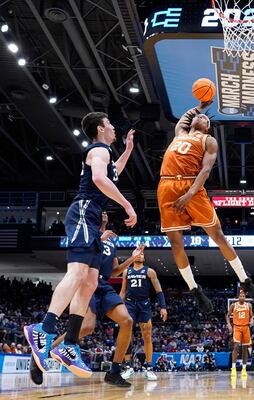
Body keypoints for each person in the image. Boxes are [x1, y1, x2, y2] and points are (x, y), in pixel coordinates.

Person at [24, 112, 137, 378]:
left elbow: (112, 174)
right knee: (77, 274)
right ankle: (44, 328)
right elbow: (99, 179)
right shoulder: (98, 150)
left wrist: (129, 150)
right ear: (100, 128)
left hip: (93, 215)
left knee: (89, 282)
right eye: (109, 124)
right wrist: (127, 204)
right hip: (85, 211)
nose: (113, 128)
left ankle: (70, 343)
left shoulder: (106, 155)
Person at [157, 100, 254, 312]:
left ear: (207, 127)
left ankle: (245, 281)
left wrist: (190, 193)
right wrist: (200, 105)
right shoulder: (180, 133)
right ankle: (195, 290)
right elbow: (185, 117)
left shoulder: (209, 141)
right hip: (167, 184)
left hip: (192, 184)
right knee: (175, 244)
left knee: (218, 235)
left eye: (206, 119)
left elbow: (205, 171)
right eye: (201, 117)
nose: (202, 118)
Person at [29, 213, 140, 387]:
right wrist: (98, 239)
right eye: (100, 211)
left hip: (104, 285)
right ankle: (42, 354)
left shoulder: (111, 241)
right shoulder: (87, 231)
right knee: (87, 327)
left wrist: (133, 258)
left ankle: (114, 372)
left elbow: (114, 271)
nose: (103, 213)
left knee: (127, 321)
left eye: (105, 211)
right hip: (87, 282)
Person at [120, 245, 168, 381]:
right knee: (126, 334)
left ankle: (149, 367)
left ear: (144, 258)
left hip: (144, 304)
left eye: (142, 254)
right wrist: (116, 305)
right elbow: (123, 292)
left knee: (147, 335)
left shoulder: (150, 271)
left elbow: (159, 291)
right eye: (138, 253)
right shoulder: (126, 272)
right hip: (129, 304)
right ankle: (128, 367)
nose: (140, 255)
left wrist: (163, 307)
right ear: (133, 256)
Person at [227, 289, 254, 378]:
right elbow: (227, 316)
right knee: (236, 346)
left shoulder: (248, 305)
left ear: (245, 297)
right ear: (238, 297)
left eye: (243, 296)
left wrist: (252, 320)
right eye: (240, 296)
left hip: (246, 327)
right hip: (237, 327)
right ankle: (233, 368)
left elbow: (251, 316)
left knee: (245, 349)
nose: (242, 297)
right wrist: (229, 325)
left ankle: (244, 368)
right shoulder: (233, 305)